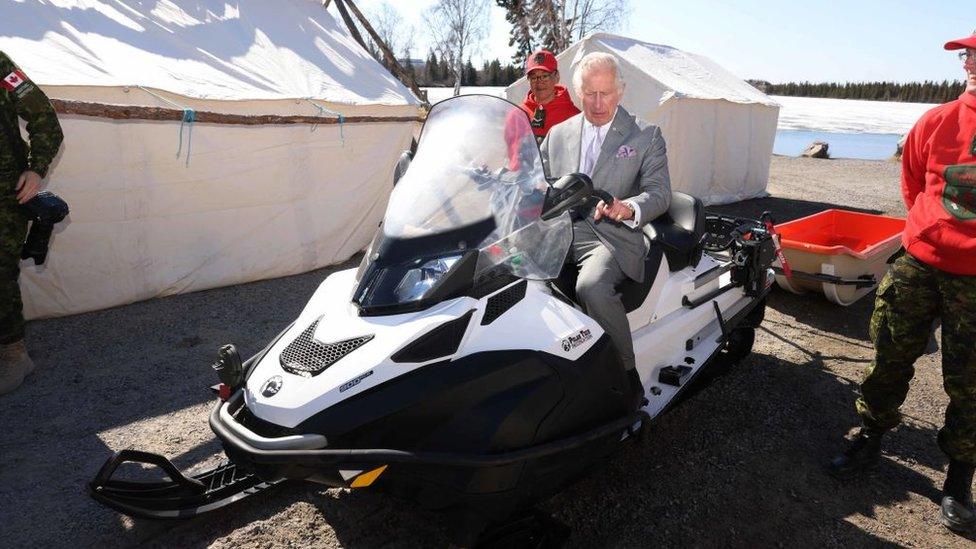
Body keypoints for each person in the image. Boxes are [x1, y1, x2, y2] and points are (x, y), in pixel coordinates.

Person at [828, 32, 976, 534]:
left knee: (971, 382)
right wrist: (930, 232)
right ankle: (870, 436)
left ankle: (958, 479)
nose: (971, 64)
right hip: (920, 263)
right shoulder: (937, 121)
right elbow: (913, 181)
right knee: (890, 351)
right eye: (968, 56)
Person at [540, 52, 671, 375]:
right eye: (589, 94)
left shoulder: (646, 135)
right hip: (558, 231)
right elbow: (536, 180)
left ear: (621, 91)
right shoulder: (558, 134)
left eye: (606, 93)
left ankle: (625, 376)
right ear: (577, 92)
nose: (598, 103)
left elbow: (659, 193)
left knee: (592, 287)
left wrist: (629, 207)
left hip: (610, 237)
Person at [0, 51, 63, 396]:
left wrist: (36, 167)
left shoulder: (1, 67)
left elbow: (45, 120)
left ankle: (14, 354)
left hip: (5, 196)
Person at [520, 50, 580, 143]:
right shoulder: (518, 115)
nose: (539, 81)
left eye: (544, 76)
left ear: (556, 76)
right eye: (533, 77)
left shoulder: (574, 117)